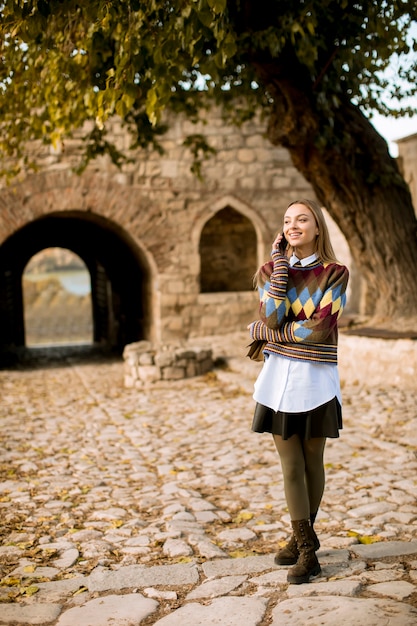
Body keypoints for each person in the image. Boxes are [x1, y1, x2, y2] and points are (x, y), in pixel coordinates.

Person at [247, 199, 349, 585]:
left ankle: (299, 535)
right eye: (287, 221)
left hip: (317, 382)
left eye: (302, 219)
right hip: (277, 382)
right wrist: (278, 264)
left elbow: (319, 331)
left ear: (317, 227)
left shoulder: (335, 274)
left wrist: (269, 336)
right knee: (289, 466)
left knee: (312, 462)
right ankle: (307, 549)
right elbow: (270, 316)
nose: (293, 226)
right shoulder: (270, 271)